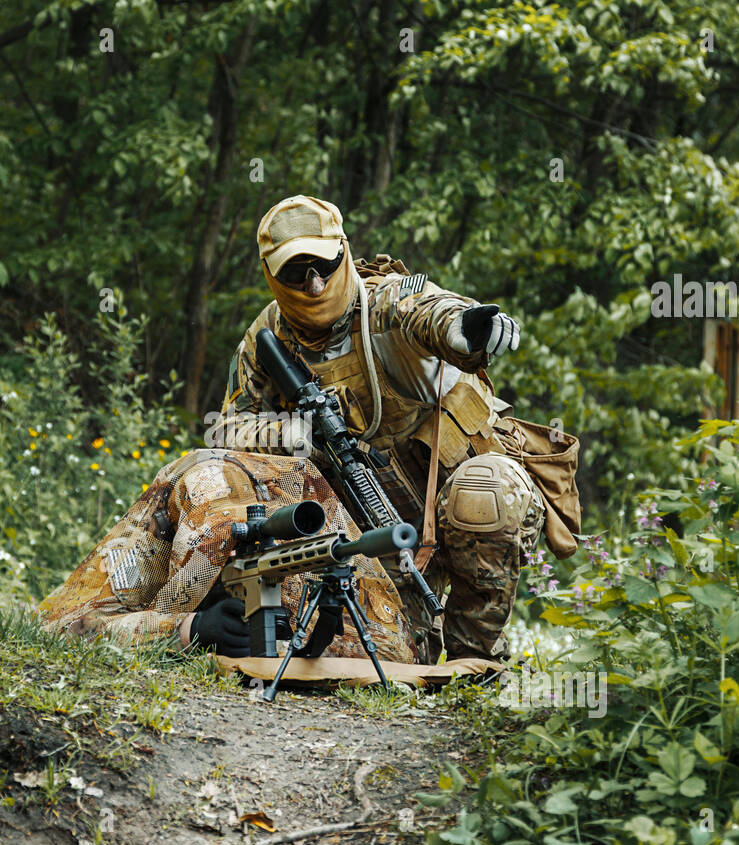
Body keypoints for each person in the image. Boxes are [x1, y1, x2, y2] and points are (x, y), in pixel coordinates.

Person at [207, 195, 582, 663]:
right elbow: (226, 434)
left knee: (485, 494)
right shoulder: (265, 338)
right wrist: (297, 434)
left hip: (453, 496)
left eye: (324, 263)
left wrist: (467, 330)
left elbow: (433, 312)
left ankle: (476, 660)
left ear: (343, 251)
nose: (316, 282)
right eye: (296, 272)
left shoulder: (386, 300)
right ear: (270, 273)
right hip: (363, 523)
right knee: (396, 654)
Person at [37, 448, 419, 665]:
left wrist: (292, 639)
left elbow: (397, 649)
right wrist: (187, 630)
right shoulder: (158, 524)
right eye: (218, 554)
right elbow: (60, 627)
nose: (225, 559)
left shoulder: (314, 516)